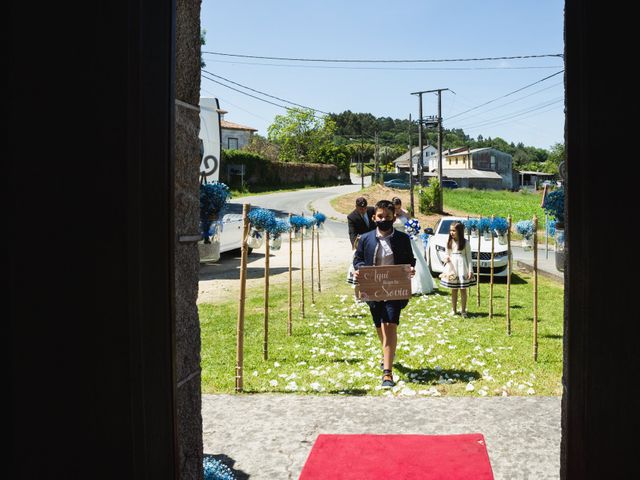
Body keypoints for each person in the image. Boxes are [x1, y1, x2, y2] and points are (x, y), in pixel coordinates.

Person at [353, 200, 416, 388]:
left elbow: (409, 260)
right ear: (374, 217)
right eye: (380, 216)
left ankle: (387, 373)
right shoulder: (365, 239)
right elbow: (358, 260)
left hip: (395, 290)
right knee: (380, 327)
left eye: (388, 217)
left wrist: (410, 269)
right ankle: (387, 352)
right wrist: (360, 270)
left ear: (394, 217)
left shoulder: (403, 239)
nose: (384, 219)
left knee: (390, 324)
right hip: (373, 290)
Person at [391, 197, 434, 295]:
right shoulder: (390, 214)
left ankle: (415, 285)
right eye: (395, 208)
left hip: (406, 240)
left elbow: (409, 224)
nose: (397, 210)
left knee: (413, 260)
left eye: (398, 208)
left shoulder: (405, 213)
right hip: (394, 240)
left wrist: (412, 229)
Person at [439, 221, 477, 317]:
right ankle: (454, 310)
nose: (451, 232)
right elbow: (446, 253)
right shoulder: (449, 242)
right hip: (452, 267)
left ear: (459, 231)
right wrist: (446, 258)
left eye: (454, 230)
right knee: (454, 289)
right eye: (450, 230)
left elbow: (469, 257)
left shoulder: (465, 243)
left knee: (463, 289)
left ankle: (463, 310)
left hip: (462, 266)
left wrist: (470, 270)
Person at [346, 197, 376, 285]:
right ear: (356, 207)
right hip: (362, 243)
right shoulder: (352, 217)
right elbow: (352, 233)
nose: (363, 210)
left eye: (364, 208)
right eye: (360, 208)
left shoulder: (372, 210)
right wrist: (355, 245)